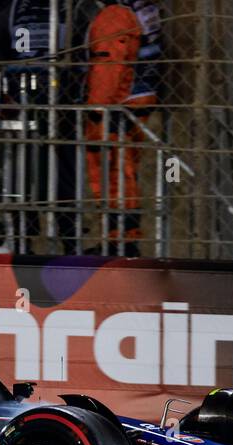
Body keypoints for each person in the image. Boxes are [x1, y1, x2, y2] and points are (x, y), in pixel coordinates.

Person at [85, 0, 164, 256]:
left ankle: (119, 240)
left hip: (117, 103)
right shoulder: (144, 9)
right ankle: (122, 237)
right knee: (125, 173)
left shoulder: (115, 14)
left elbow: (108, 64)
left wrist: (97, 108)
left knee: (111, 174)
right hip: (138, 99)